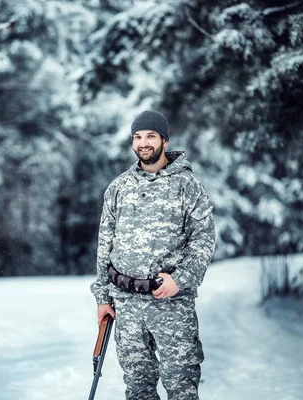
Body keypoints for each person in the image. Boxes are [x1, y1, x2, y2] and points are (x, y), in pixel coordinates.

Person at [90, 110, 216, 400]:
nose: (143, 143)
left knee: (182, 388)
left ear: (164, 140)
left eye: (150, 136)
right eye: (138, 137)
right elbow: (105, 244)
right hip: (127, 305)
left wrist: (180, 279)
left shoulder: (187, 186)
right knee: (138, 390)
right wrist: (103, 298)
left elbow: (204, 238)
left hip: (171, 305)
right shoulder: (119, 187)